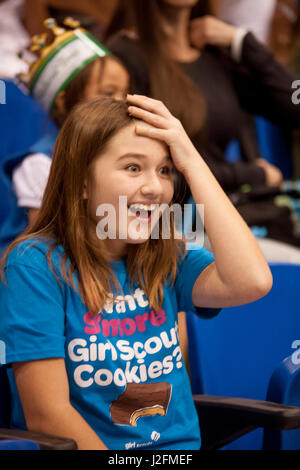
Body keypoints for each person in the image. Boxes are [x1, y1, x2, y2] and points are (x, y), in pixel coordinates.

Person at [0, 95, 272, 450]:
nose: (155, 187)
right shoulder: (34, 266)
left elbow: (253, 281)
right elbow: (47, 415)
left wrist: (191, 160)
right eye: (132, 168)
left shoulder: (167, 253)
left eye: (164, 170)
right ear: (81, 182)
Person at [105, 0, 300, 249]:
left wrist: (241, 41)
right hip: (170, 228)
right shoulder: (125, 56)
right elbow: (149, 169)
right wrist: (253, 174)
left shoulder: (214, 51)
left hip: (234, 215)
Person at [0, 17, 129, 252]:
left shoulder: (119, 153)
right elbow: (43, 245)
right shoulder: (39, 163)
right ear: (63, 101)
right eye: (108, 93)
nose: (121, 103)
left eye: (125, 92)